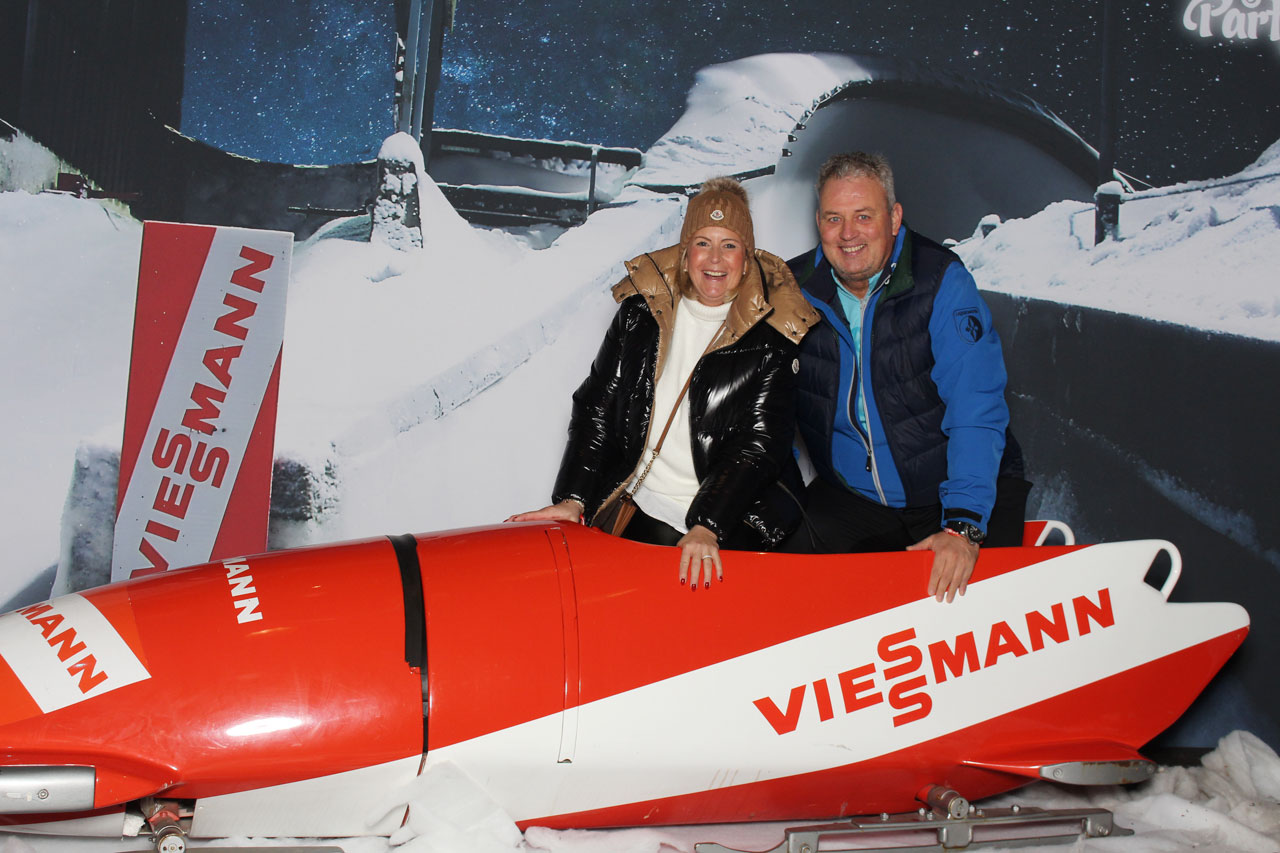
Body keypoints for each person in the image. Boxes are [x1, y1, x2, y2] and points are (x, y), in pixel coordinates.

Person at [508, 177, 820, 589]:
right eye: (703, 242)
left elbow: (759, 446)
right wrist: (574, 498)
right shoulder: (640, 314)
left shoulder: (773, 336)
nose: (715, 258)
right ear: (685, 253)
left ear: (746, 259)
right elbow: (597, 405)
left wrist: (708, 525)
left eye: (729, 245)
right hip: (642, 506)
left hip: (727, 517)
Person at [782, 152, 1029, 602]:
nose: (848, 233)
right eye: (834, 218)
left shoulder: (940, 280)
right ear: (819, 222)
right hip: (855, 497)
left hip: (951, 491)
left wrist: (963, 526)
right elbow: (763, 402)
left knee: (970, 617)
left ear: (894, 218)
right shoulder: (791, 288)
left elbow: (975, 406)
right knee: (787, 587)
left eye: (864, 216)